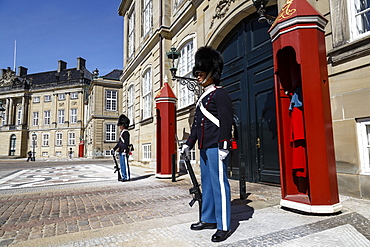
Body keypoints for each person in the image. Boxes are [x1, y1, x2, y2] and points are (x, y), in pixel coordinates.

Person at [180, 46, 233, 242]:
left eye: (201, 71)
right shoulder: (203, 97)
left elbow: (226, 121)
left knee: (220, 185)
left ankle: (224, 224)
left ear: (212, 71)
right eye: (197, 72)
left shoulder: (220, 94)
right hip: (203, 147)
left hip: (216, 147)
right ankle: (209, 218)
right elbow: (196, 126)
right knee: (208, 185)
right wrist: (188, 144)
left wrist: (224, 146)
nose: (198, 75)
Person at [111, 114, 131, 181]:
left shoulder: (126, 133)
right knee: (122, 165)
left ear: (123, 125)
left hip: (124, 151)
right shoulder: (122, 133)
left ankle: (126, 177)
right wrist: (114, 149)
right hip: (121, 151)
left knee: (125, 164)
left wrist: (125, 150)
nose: (119, 126)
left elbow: (126, 142)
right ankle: (123, 176)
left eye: (120, 125)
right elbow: (119, 143)